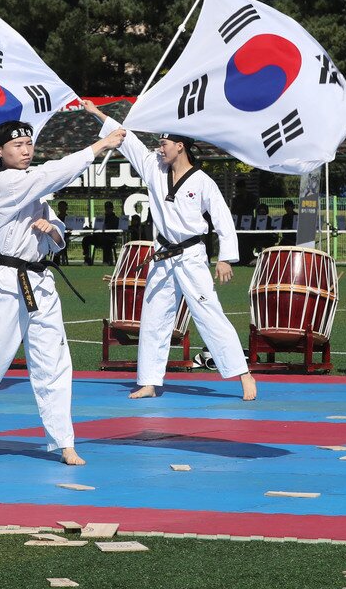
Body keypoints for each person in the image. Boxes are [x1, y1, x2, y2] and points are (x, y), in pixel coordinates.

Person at [0, 120, 126, 464]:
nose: (26, 150)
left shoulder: (33, 185)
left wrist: (53, 230)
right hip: (7, 282)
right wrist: (99, 146)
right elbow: (52, 173)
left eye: (29, 144)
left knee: (54, 362)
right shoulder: (7, 183)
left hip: (40, 282)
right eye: (17, 145)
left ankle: (64, 441)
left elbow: (57, 234)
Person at [83, 102, 257, 401]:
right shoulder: (154, 169)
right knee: (154, 318)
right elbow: (128, 140)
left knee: (209, 314)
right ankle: (149, 382)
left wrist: (225, 258)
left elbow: (222, 219)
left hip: (191, 256)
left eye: (163, 144)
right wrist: (97, 114)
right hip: (162, 256)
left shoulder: (202, 182)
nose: (159, 148)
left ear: (180, 146)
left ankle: (243, 374)